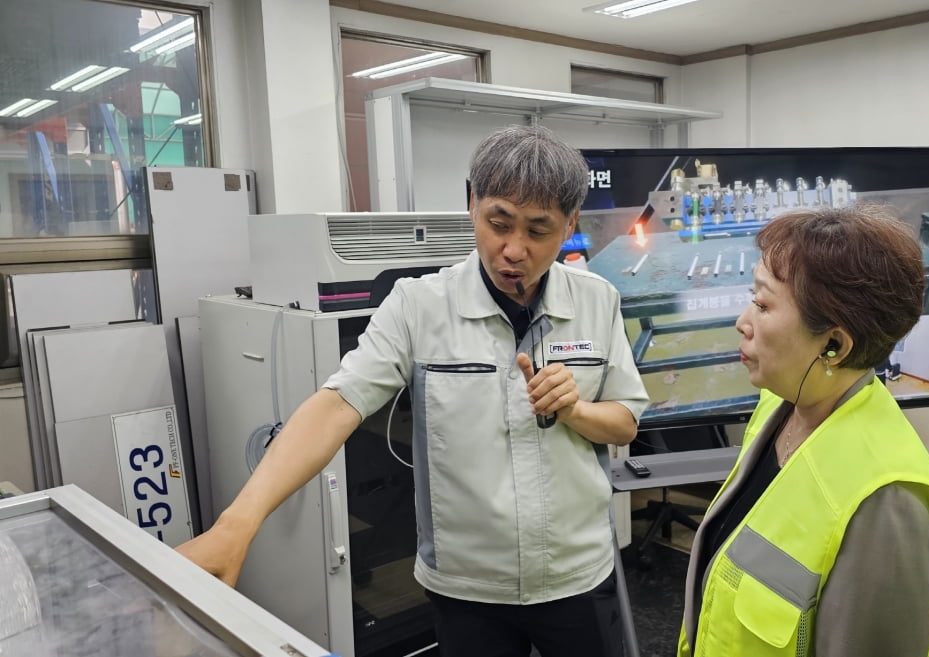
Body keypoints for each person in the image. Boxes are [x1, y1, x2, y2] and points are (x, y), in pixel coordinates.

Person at [178, 125, 650, 657]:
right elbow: (337, 406)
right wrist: (236, 523)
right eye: (498, 222)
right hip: (469, 588)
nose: (512, 249)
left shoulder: (597, 301)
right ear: (471, 204)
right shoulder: (418, 306)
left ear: (569, 226)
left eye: (538, 230)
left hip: (577, 575)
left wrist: (576, 409)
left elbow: (625, 422)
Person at [677, 205, 929, 657]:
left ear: (834, 345)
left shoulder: (886, 500)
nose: (742, 323)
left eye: (763, 305)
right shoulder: (778, 406)